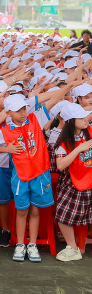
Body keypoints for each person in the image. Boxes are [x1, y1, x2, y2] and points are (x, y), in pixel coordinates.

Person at [0, 95, 54, 262]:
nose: (23, 113)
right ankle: (20, 244)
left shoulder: (34, 119)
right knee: (22, 209)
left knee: (35, 209)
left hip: (39, 173)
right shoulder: (6, 130)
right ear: (9, 113)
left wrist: (68, 86)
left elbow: (52, 101)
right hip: (20, 175)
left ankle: (32, 244)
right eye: (18, 110)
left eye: (24, 108)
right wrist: (8, 149)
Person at [53, 103, 92, 262]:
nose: (85, 119)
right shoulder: (64, 142)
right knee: (62, 216)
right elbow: (61, 165)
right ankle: (72, 247)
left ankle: (74, 248)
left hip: (88, 180)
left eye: (86, 116)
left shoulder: (89, 131)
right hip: (73, 182)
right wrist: (78, 149)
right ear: (70, 121)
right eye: (81, 117)